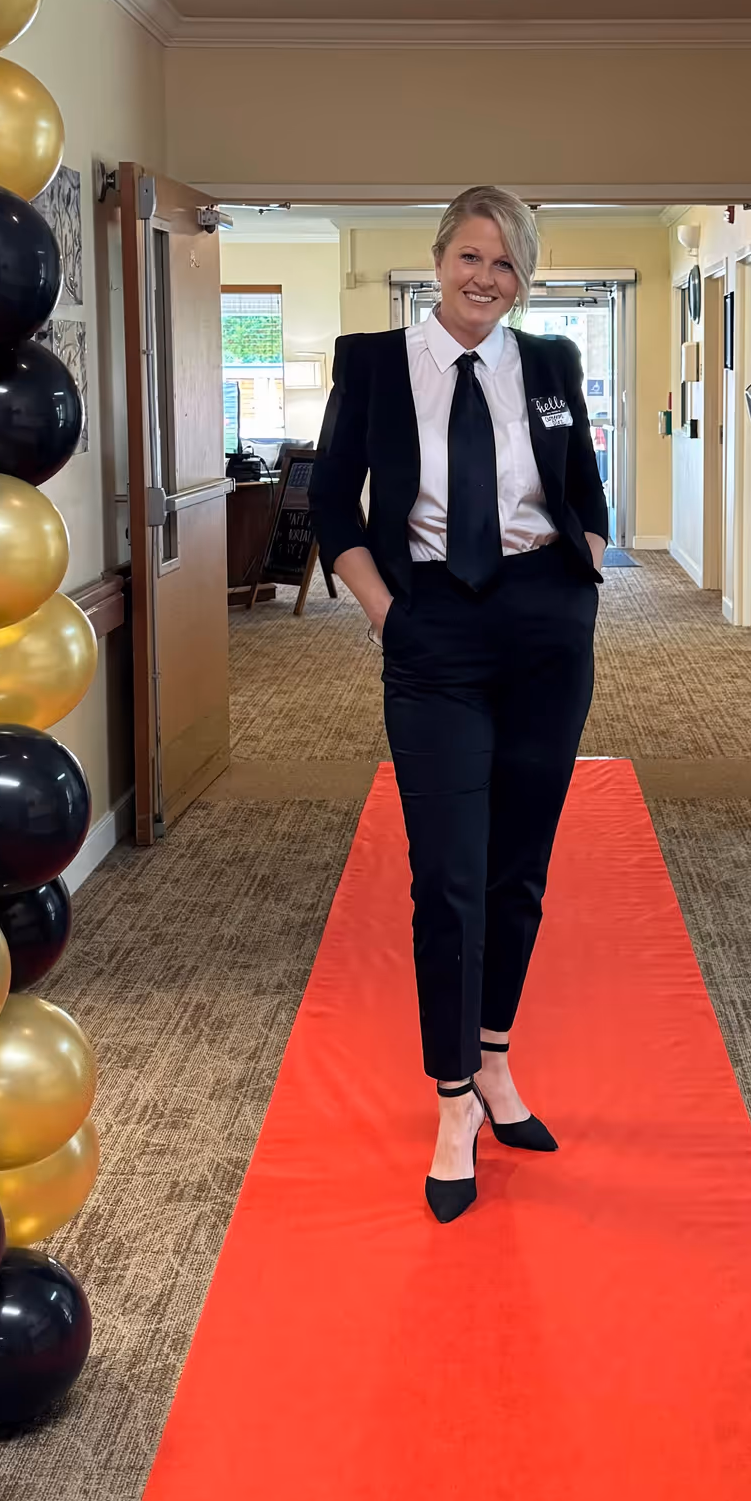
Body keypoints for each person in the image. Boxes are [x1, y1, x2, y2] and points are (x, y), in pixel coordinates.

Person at [311, 185, 608, 1223]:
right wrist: (388, 613)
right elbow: (328, 504)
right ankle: (449, 1101)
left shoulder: (555, 364)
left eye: (508, 264)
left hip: (543, 628)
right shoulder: (375, 365)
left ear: (525, 279)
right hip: (432, 626)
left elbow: (586, 494)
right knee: (446, 874)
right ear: (439, 257)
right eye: (472, 255)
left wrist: (579, 592)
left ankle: (493, 1061)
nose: (487, 277)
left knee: (520, 866)